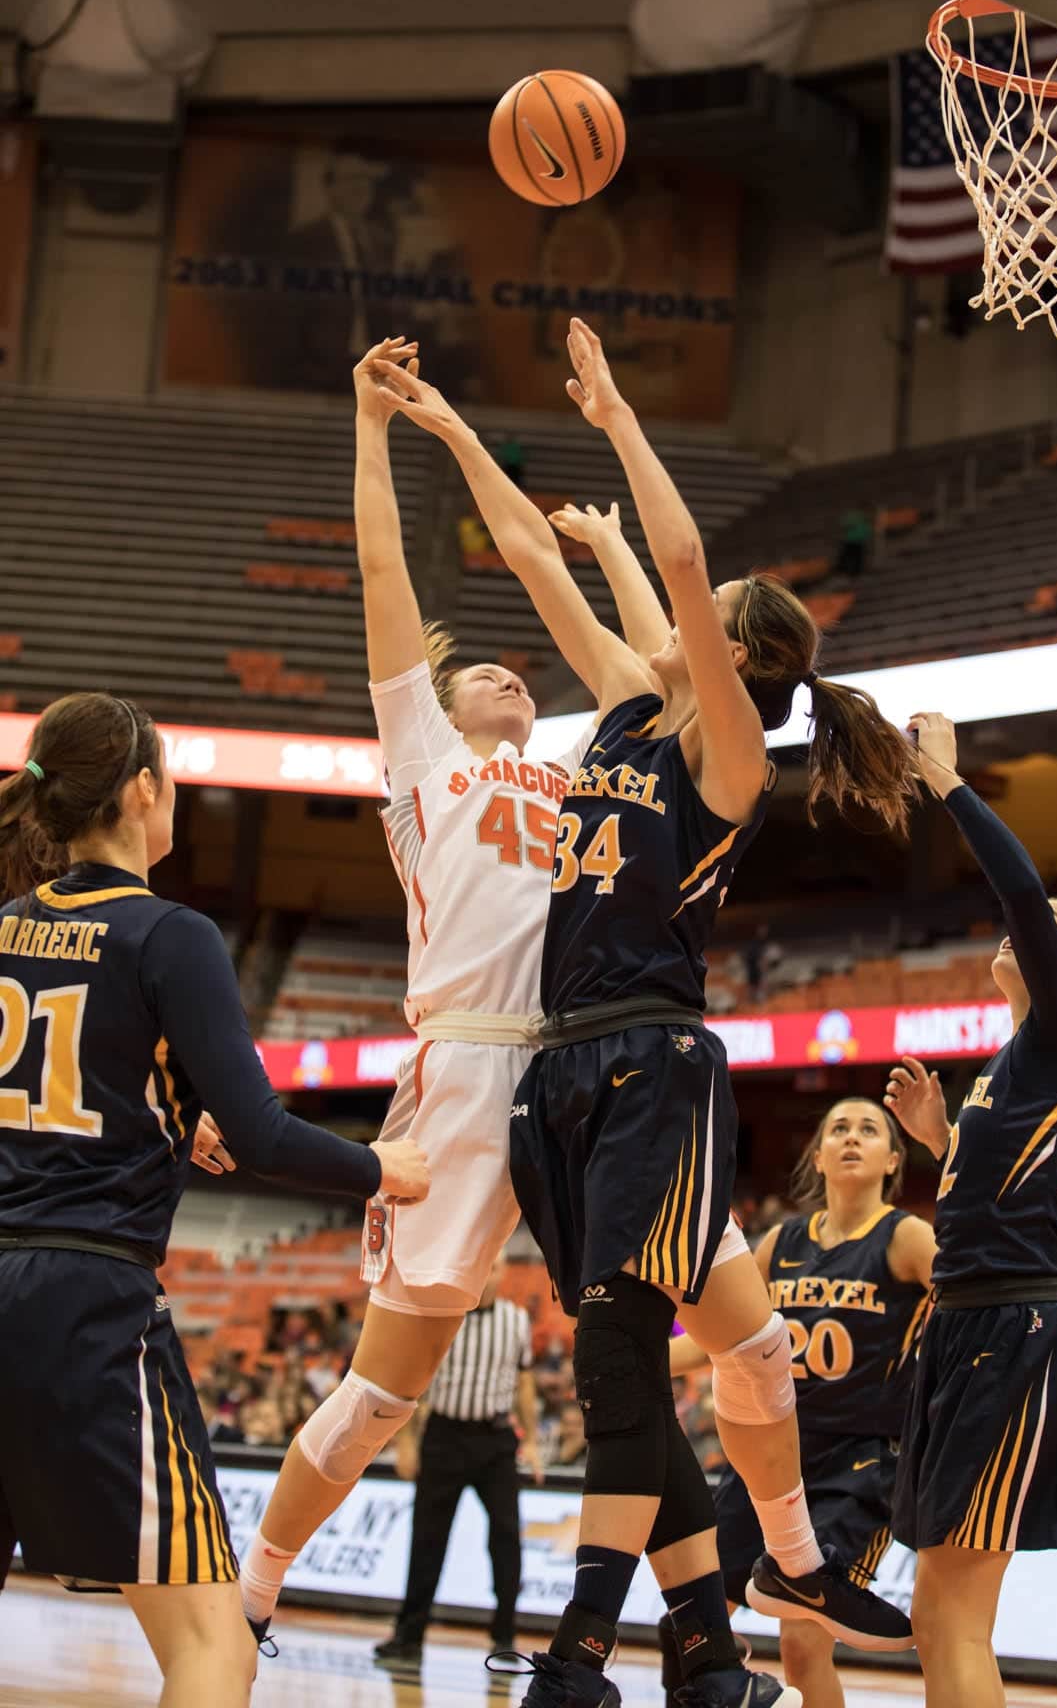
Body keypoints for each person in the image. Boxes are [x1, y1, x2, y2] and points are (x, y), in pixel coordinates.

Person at [376, 320, 920, 1707]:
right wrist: (442, 428)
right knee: (698, 1349)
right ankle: (725, 1628)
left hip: (654, 1062)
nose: (684, 613)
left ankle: (577, 1652)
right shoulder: (621, 712)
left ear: (730, 649)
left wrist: (619, 412)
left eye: (707, 613)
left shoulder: (728, 753)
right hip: (560, 1068)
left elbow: (679, 566)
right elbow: (532, 561)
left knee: (623, 1350)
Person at [238, 338, 598, 1636]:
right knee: (389, 1388)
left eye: (520, 670)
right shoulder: (426, 757)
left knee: (672, 1322)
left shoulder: (577, 771)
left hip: (575, 1068)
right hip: (461, 1067)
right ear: (439, 705)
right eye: (481, 668)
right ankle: (260, 1581)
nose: (511, 671)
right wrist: (374, 426)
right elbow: (385, 572)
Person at [0, 692, 428, 1708]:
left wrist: (157, 1117)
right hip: (87, 1304)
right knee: (215, 1645)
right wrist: (385, 1169)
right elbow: (267, 1132)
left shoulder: (7, 924)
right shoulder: (169, 931)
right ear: (143, 788)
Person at [884, 711, 1057, 1708]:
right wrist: (941, 1143)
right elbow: (1005, 1199)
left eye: (1043, 942)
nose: (1015, 936)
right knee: (930, 1612)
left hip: (1015, 1329)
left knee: (954, 1608)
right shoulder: (1015, 1065)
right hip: (964, 1324)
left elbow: (1025, 894)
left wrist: (947, 781)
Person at [668, 1101, 935, 1708]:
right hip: (771, 1455)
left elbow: (968, 1309)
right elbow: (720, 1337)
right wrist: (640, 1357)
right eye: (837, 1128)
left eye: (870, 1130)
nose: (851, 1138)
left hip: (860, 1463)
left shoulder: (908, 1235)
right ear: (816, 1155)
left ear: (893, 1159)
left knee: (803, 1645)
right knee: (692, 1619)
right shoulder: (780, 1242)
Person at [374, 1256, 541, 1679]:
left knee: (506, 1537)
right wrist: (406, 1441)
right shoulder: (444, 1315)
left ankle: (504, 1637)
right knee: (427, 1539)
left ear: (504, 1274)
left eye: (498, 1268)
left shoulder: (517, 1320)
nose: (490, 1275)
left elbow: (523, 1382)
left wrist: (534, 1441)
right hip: (444, 1436)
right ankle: (408, 1637)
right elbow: (413, 1379)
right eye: (484, 1267)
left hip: (496, 1440)